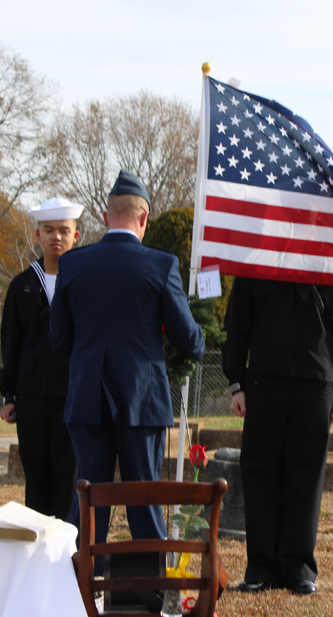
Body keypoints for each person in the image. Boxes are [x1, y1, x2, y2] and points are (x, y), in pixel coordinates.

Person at [50, 170, 204, 564]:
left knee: (89, 500)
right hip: (143, 399)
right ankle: (152, 588)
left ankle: (82, 587)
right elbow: (189, 339)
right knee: (144, 499)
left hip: (87, 398)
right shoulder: (160, 265)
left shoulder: (72, 265)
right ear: (144, 218)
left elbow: (59, 339)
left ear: (105, 217)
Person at [222, 278, 333, 595]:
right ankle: (261, 567)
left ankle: (299, 568)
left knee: (305, 478)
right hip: (262, 382)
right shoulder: (258, 258)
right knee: (260, 475)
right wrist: (237, 382)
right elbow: (238, 323)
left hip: (316, 384)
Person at [0, 197, 82, 521]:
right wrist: (9, 395)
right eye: (48, 230)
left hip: (72, 397)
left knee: (67, 478)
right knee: (36, 478)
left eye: (63, 230)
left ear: (76, 235)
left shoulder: (82, 283)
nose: (55, 237)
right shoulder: (21, 286)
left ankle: (63, 554)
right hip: (31, 398)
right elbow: (11, 345)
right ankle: (36, 551)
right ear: (37, 235)